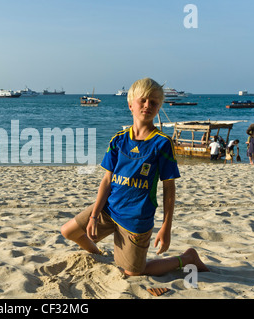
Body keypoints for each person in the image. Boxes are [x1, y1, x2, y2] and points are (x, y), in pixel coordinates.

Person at [61, 78, 209, 276]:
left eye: (154, 102)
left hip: (136, 218)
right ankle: (100, 254)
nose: (148, 105)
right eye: (143, 100)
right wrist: (95, 215)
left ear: (158, 108)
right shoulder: (118, 140)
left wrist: (166, 226)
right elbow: (107, 181)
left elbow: (169, 189)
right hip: (109, 209)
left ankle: (188, 258)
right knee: (68, 232)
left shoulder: (162, 143)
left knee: (134, 273)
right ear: (131, 104)